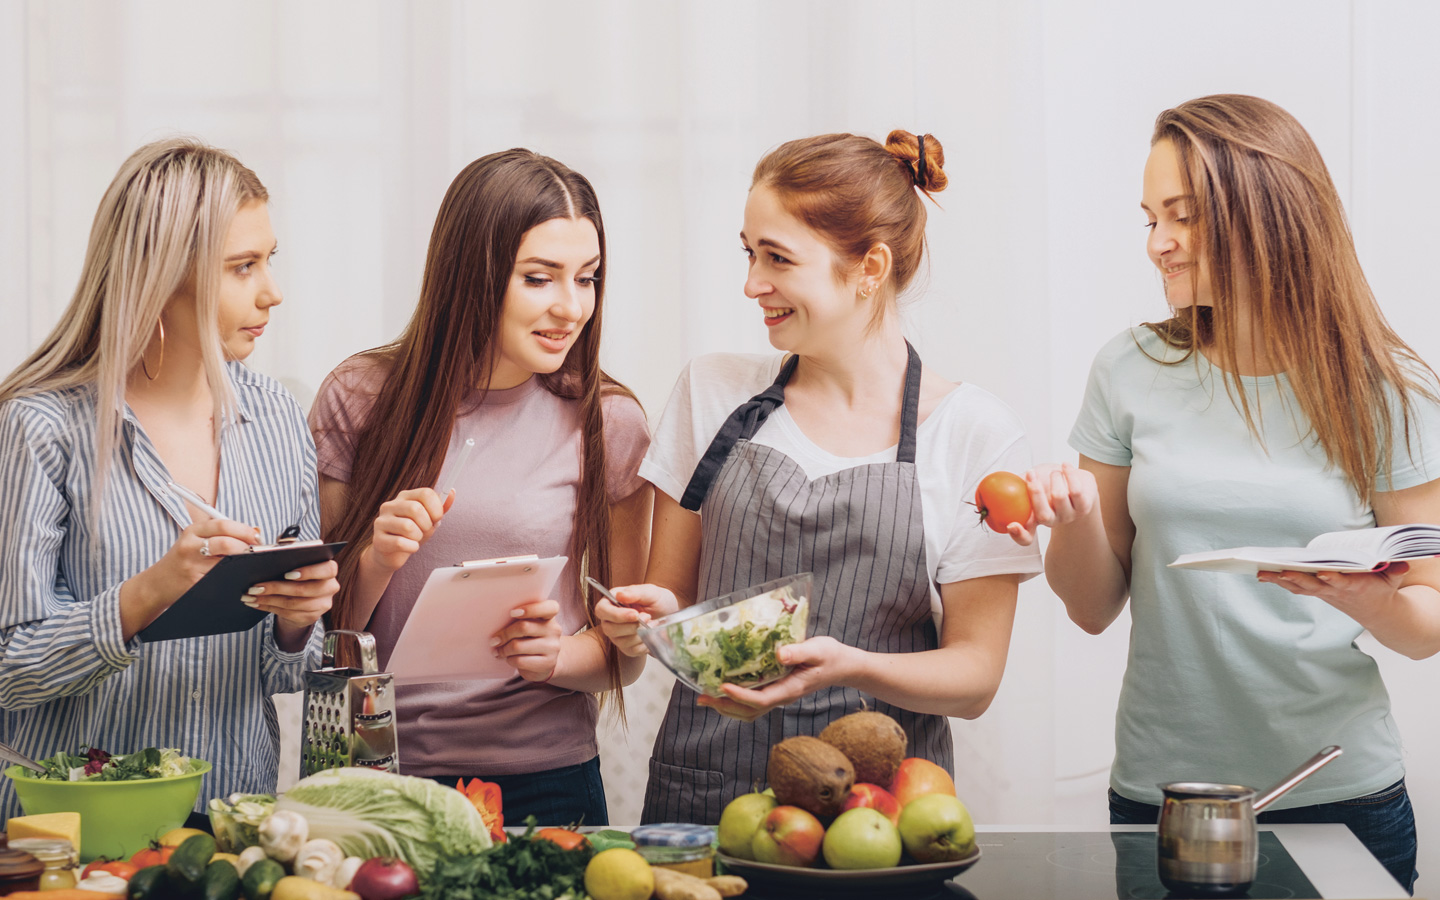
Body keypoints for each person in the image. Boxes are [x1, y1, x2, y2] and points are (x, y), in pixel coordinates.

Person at [1013, 95, 1440, 892]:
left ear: (1268, 214)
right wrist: (1070, 525)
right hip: (1165, 798)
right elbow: (1092, 606)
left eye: (1182, 216)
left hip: (1337, 791)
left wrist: (1362, 597)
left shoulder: (1387, 390)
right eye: (1149, 219)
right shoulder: (1129, 368)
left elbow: (1426, 626)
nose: (1158, 244)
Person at [596, 131, 1043, 824]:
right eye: (749, 252)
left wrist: (850, 665)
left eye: (777, 258)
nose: (752, 283)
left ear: (870, 267)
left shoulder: (973, 434)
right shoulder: (713, 392)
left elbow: (975, 678)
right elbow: (674, 600)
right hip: (706, 797)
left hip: (876, 814)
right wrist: (642, 622)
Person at [309, 148, 651, 826]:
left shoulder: (609, 421)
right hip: (380, 775)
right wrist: (377, 558)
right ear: (473, 274)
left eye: (586, 279)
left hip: (547, 782)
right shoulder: (360, 397)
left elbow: (624, 651)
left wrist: (557, 658)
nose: (570, 307)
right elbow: (320, 631)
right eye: (539, 278)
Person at [0, 138, 334, 818]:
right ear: (160, 276)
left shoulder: (278, 421)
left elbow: (289, 676)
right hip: (74, 842)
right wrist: (149, 593)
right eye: (243, 267)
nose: (272, 291)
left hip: (230, 836)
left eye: (269, 261)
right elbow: (11, 666)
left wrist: (299, 625)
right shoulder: (41, 428)